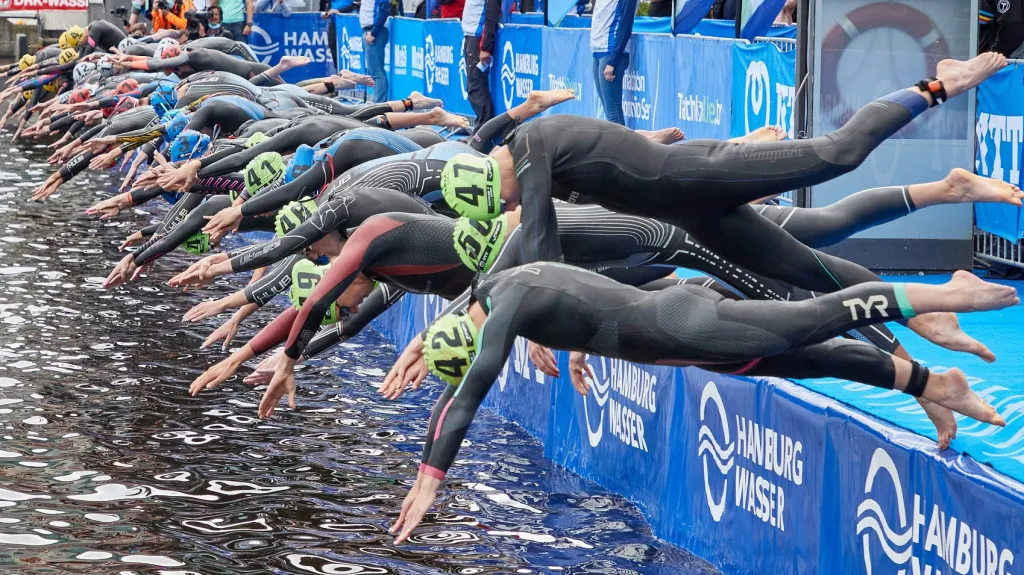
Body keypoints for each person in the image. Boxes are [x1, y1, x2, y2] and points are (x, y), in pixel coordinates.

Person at [379, 263, 1015, 543]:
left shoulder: (505, 312)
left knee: (809, 323)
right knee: (809, 359)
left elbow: (473, 385)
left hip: (685, 329)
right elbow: (516, 307)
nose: (499, 342)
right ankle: (931, 386)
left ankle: (942, 294)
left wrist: (431, 479)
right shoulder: (503, 286)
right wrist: (573, 347)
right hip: (678, 327)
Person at [436, 54, 1008, 359]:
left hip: (699, 174)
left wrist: (532, 325)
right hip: (692, 213)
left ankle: (939, 85)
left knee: (841, 153)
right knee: (805, 270)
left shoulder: (532, 146)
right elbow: (547, 231)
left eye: (502, 197)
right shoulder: (537, 166)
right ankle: (924, 313)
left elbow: (539, 241)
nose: (510, 203)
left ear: (496, 179)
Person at [590, 0, 638, 125]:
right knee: (608, 110)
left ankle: (622, 144)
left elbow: (625, 25)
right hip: (598, 50)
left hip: (611, 52)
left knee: (613, 113)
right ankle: (617, 143)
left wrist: (613, 60)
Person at [461, 0, 499, 127]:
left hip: (477, 39)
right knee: (474, 87)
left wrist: (485, 46)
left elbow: (492, 14)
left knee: (477, 86)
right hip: (471, 36)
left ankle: (484, 130)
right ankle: (483, 128)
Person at [361, 0, 391, 103]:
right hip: (370, 30)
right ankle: (378, 102)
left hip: (375, 32)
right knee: (374, 71)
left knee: (377, 71)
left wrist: (374, 33)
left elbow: (384, 10)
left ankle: (379, 104)